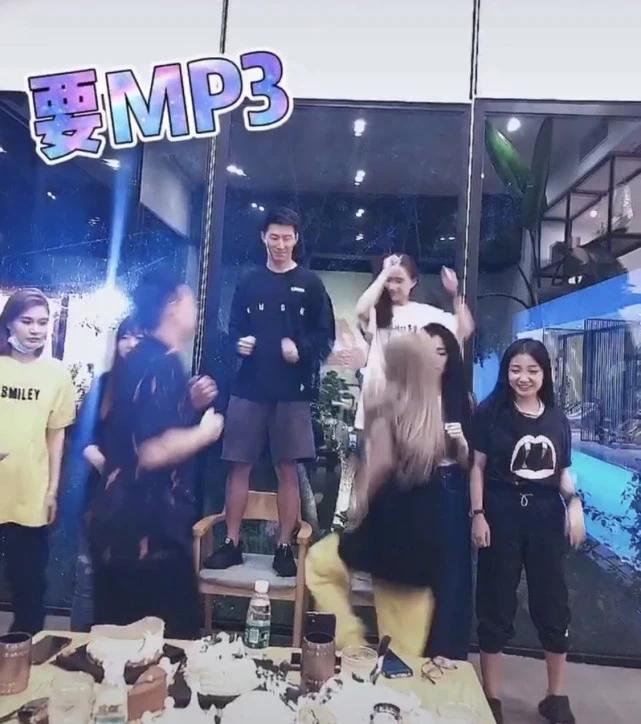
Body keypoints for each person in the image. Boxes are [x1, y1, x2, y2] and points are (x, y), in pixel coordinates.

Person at [88, 271, 223, 638]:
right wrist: (204, 432)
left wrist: (187, 404)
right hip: (145, 537)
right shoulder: (160, 362)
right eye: (191, 300)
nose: (197, 309)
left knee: (119, 649)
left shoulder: (144, 360)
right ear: (172, 306)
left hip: (126, 532)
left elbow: (143, 428)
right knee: (166, 648)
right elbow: (149, 451)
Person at [207, 207, 335, 577]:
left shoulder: (310, 283)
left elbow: (325, 336)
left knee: (288, 470)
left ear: (296, 239)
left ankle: (283, 548)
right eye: (274, 237)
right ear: (263, 237)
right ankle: (232, 543)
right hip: (248, 388)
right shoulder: (249, 281)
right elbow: (232, 328)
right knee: (238, 465)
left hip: (292, 392)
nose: (280, 244)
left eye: (287, 237)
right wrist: (239, 343)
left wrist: (301, 350)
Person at [306, 332, 446, 657]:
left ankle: (351, 643)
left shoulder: (387, 413)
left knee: (320, 564)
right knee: (403, 644)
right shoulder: (431, 417)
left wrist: (357, 506)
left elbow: (378, 469)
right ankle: (397, 675)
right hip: (424, 540)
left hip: (388, 530)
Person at [470, 339, 586, 724]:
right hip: (501, 513)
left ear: (544, 374)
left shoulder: (556, 419)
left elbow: (563, 472)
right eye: (516, 369)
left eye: (532, 370)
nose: (523, 377)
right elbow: (477, 468)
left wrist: (574, 503)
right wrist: (478, 513)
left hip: (545, 517)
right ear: (506, 372)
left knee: (552, 602)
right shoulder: (490, 414)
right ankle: (491, 696)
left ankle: (556, 696)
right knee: (496, 601)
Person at [0, 288, 75, 634]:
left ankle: (21, 656)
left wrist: (52, 489)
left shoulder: (57, 374)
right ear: (9, 324)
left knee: (29, 588)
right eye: (26, 321)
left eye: (42, 322)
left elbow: (56, 435)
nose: (35, 329)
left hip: (30, 494)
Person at [70, 315, 144, 632]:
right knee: (88, 581)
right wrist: (111, 470)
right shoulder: (103, 384)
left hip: (143, 503)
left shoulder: (162, 387)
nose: (131, 344)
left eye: (139, 337)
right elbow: (83, 442)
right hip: (99, 499)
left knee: (133, 586)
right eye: (125, 337)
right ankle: (77, 648)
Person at [354, 253, 473, 431]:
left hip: (413, 411)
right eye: (389, 281)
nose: (392, 286)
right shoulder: (377, 313)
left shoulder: (425, 314)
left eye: (399, 281)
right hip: (378, 406)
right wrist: (384, 273)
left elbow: (464, 329)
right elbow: (361, 310)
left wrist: (455, 293)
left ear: (413, 282)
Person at [422, 322, 473, 661]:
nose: (433, 359)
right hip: (415, 485)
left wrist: (462, 443)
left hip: (450, 483)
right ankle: (414, 648)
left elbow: (470, 462)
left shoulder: (461, 399)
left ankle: (449, 651)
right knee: (417, 567)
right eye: (427, 352)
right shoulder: (404, 395)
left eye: (441, 352)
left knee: (452, 570)